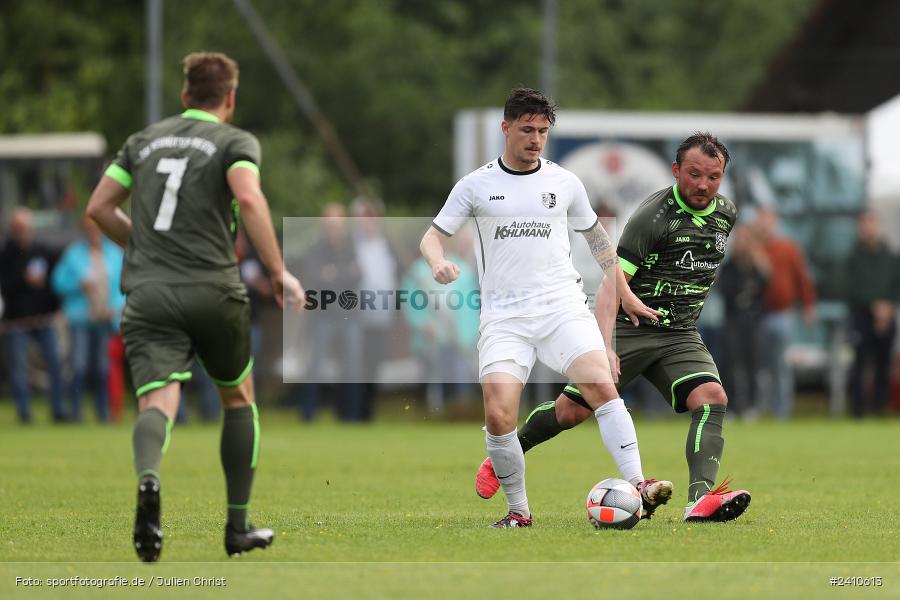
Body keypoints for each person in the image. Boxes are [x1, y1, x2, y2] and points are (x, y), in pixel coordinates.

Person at [86, 51, 304, 562]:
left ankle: (148, 482)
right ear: (229, 98)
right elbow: (249, 200)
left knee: (156, 402)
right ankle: (237, 527)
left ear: (185, 96)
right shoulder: (234, 141)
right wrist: (278, 272)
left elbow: (98, 207)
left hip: (149, 293)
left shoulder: (142, 141)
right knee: (237, 397)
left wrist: (142, 247)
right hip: (213, 289)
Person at [420, 87, 669, 528]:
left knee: (600, 386)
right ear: (506, 128)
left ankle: (640, 484)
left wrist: (625, 292)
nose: (535, 139)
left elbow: (598, 242)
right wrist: (438, 262)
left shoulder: (564, 182)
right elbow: (432, 236)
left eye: (542, 132)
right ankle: (519, 512)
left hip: (562, 307)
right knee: (499, 415)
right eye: (527, 130)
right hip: (505, 317)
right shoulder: (476, 185)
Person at [475, 132, 753, 523]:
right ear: (676, 171)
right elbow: (611, 286)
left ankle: (700, 500)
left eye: (713, 177)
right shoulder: (652, 218)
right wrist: (605, 345)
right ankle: (508, 451)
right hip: (629, 328)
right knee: (571, 412)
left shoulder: (726, 214)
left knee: (712, 398)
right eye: (694, 174)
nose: (703, 185)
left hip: (679, 334)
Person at [51, 216, 126, 422]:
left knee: (103, 368)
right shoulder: (73, 254)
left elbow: (124, 286)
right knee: (79, 365)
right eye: (88, 228)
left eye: (96, 228)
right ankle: (76, 412)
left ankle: (103, 412)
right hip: (80, 318)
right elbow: (57, 283)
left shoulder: (114, 254)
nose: (93, 232)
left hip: (106, 319)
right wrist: (78, 285)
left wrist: (117, 307)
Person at [0, 207, 66, 423]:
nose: (23, 232)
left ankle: (58, 409)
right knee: (19, 370)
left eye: (26, 228)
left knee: (54, 365)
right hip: (16, 322)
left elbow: (55, 281)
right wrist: (24, 280)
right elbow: (5, 286)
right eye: (19, 228)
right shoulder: (6, 255)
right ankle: (24, 412)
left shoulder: (42, 251)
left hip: (43, 319)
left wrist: (55, 306)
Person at [754, 206, 816, 420]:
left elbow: (803, 278)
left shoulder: (788, 248)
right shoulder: (753, 249)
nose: (764, 225)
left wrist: (808, 306)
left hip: (782, 313)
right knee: (759, 366)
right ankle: (761, 409)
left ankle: (782, 412)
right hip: (757, 315)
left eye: (767, 220)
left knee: (780, 365)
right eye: (761, 220)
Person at [842, 211, 899, 417]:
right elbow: (850, 288)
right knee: (858, 363)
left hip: (887, 317)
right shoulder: (853, 258)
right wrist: (874, 304)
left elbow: (895, 284)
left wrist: (887, 307)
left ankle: (880, 409)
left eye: (871, 224)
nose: (867, 229)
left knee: (884, 365)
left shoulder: (890, 257)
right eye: (863, 225)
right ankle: (857, 411)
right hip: (861, 316)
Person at [717, 223, 770, 419]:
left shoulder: (757, 266)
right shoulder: (729, 266)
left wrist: (759, 260)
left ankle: (752, 405)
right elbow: (725, 290)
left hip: (753, 320)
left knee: (752, 362)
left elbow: (766, 284)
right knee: (730, 362)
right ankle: (730, 406)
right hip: (733, 319)